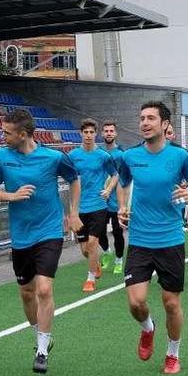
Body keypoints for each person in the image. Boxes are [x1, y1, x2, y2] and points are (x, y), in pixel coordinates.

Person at [0, 109, 82, 374]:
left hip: (49, 231)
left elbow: (74, 179)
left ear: (23, 134)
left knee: (43, 289)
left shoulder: (53, 157)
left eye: (6, 132)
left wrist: (73, 213)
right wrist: (12, 196)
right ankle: (41, 334)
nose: (2, 136)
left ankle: (41, 351)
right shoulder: (1, 157)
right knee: (27, 293)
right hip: (21, 236)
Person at [116, 101, 188, 375]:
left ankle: (172, 353)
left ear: (165, 124)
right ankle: (148, 328)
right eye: (142, 118)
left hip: (170, 240)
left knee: (171, 302)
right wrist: (122, 207)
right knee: (136, 302)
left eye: (151, 118)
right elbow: (122, 183)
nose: (144, 122)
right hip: (140, 240)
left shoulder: (180, 156)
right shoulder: (130, 157)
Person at [68, 118, 118, 292]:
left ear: (96, 134)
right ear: (81, 134)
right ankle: (94, 264)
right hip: (79, 208)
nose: (88, 135)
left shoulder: (104, 156)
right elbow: (68, 178)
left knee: (92, 243)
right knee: (84, 249)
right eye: (85, 132)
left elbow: (115, 175)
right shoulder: (73, 156)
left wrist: (109, 189)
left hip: (98, 206)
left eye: (91, 132)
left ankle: (90, 279)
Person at [98, 120, 126, 275]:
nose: (108, 133)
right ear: (102, 133)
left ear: (115, 133)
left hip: (116, 200)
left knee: (117, 232)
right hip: (101, 200)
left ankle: (119, 260)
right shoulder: (98, 153)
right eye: (106, 131)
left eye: (111, 131)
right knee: (100, 232)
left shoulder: (121, 155)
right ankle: (107, 250)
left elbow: (124, 179)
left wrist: (125, 203)